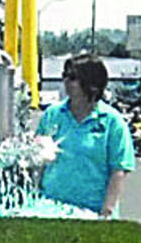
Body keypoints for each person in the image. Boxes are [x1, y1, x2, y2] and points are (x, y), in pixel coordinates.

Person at [37, 57, 135, 216]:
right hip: (50, 208)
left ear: (93, 85)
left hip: (91, 211)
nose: (66, 82)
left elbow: (119, 170)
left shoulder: (112, 122)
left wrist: (107, 211)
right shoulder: (52, 115)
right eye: (65, 76)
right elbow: (38, 160)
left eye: (73, 78)